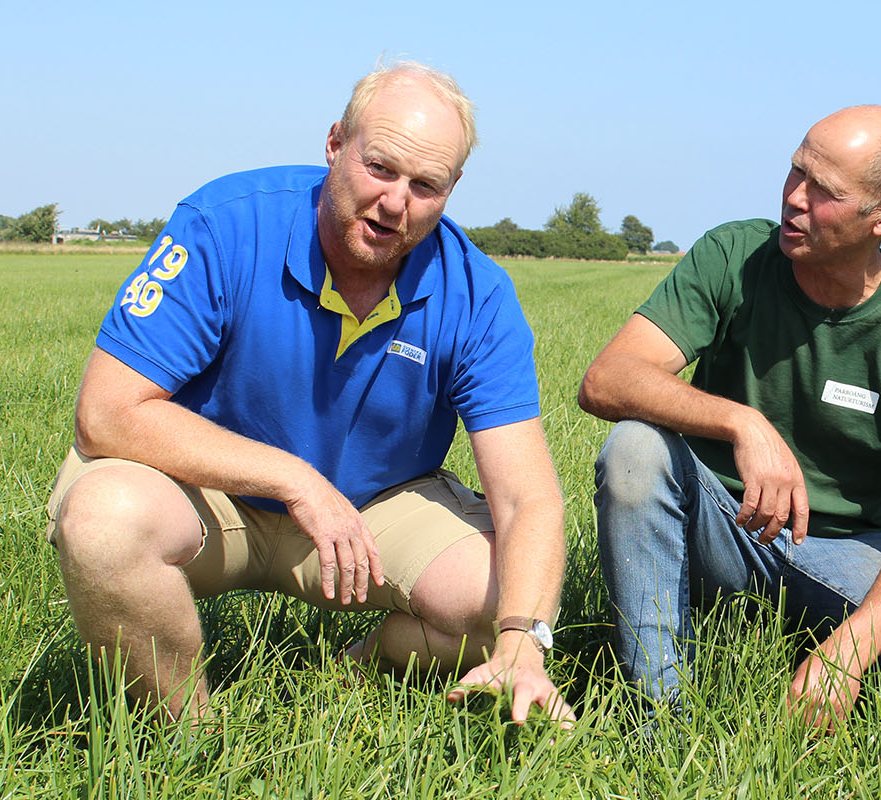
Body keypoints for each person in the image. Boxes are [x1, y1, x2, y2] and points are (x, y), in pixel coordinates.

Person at [45, 62, 573, 725]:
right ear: (334, 144)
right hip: (205, 496)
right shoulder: (224, 225)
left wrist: (523, 642)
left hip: (372, 509)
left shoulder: (479, 294)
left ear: (452, 189)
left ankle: (359, 666)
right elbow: (106, 413)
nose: (395, 202)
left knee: (506, 598)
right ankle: (186, 738)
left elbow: (529, 497)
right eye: (380, 167)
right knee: (102, 522)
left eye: (425, 185)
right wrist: (297, 481)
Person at [578, 105, 881, 730]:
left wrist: (853, 648)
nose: (794, 199)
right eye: (794, 172)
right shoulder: (735, 256)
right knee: (635, 449)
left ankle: (818, 639)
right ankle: (658, 716)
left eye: (824, 191)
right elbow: (606, 379)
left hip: (845, 547)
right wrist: (743, 424)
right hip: (718, 527)